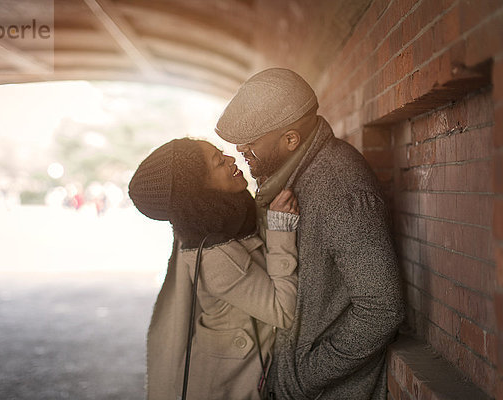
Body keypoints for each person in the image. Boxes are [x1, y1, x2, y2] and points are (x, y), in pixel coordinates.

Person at [215, 68, 405, 400]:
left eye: (252, 139)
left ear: (291, 140)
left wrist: (301, 379)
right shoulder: (289, 177)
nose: (240, 147)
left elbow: (381, 307)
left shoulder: (339, 189)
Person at [129, 138, 300, 400]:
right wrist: (280, 229)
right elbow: (283, 311)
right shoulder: (214, 254)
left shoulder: (228, 218)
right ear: (199, 189)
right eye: (219, 162)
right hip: (227, 385)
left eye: (222, 153)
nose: (231, 160)